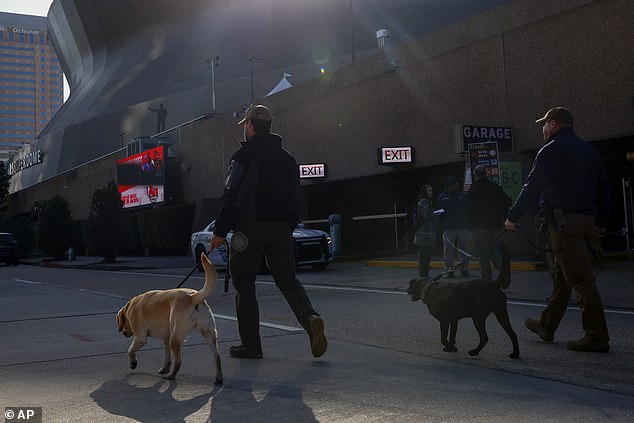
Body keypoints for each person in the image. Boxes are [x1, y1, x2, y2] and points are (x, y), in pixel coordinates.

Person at [209, 104, 327, 359]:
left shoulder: (244, 156)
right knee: (287, 280)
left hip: (250, 228)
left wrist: (220, 231)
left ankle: (251, 345)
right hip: (281, 229)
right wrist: (289, 225)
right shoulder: (287, 158)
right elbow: (297, 197)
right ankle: (311, 319)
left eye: (246, 125)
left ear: (250, 125)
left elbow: (233, 195)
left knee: (245, 285)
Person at [504, 107, 611, 353]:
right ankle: (546, 325)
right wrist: (601, 223)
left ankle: (596, 337)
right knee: (563, 277)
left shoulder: (551, 150)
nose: (542, 129)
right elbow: (605, 189)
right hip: (585, 222)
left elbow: (533, 185)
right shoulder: (590, 151)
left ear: (554, 124)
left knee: (581, 280)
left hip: (564, 225)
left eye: (544, 124)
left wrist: (513, 215)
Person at [466, 165, 511, 282]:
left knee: (484, 254)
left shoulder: (474, 189)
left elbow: (470, 209)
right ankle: (504, 274)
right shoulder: (495, 187)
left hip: (480, 227)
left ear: (475, 175)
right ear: (486, 174)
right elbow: (505, 203)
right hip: (496, 225)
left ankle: (486, 280)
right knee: (494, 250)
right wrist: (504, 219)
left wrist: (470, 225)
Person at [436, 176, 472, 278]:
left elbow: (469, 210)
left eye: (457, 184)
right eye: (454, 184)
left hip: (462, 226)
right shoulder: (442, 197)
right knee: (448, 251)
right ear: (450, 186)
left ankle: (464, 269)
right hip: (448, 228)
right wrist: (441, 226)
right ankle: (449, 270)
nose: (457, 185)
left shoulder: (463, 196)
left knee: (465, 249)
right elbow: (438, 212)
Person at [413, 184, 437, 278]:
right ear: (425, 192)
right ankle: (424, 275)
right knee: (425, 256)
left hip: (423, 233)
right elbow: (425, 215)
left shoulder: (421, 202)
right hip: (425, 234)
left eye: (431, 191)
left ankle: (424, 275)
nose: (431, 193)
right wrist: (435, 214)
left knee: (424, 256)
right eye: (429, 191)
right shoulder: (425, 202)